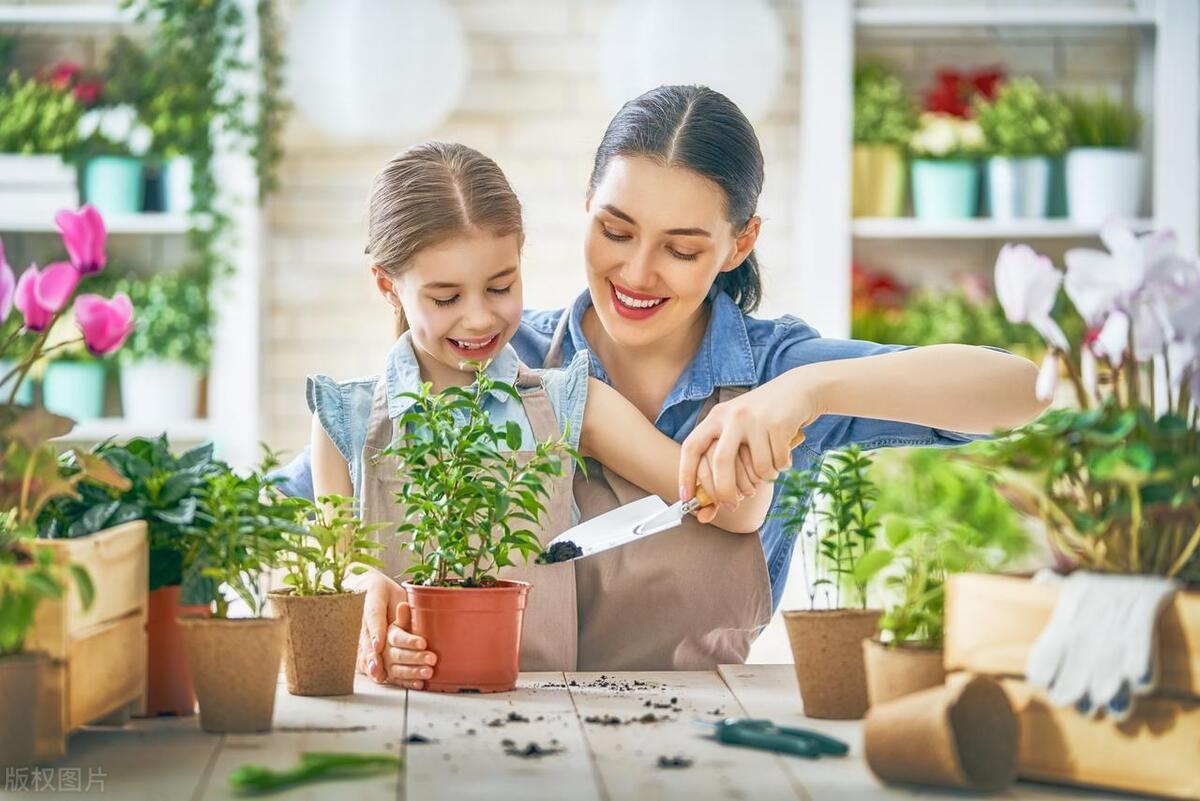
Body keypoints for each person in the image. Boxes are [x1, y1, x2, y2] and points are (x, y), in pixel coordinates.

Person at [278, 85, 1047, 690]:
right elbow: (309, 509)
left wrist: (809, 388)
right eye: (615, 231)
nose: (638, 273)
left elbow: (1034, 392)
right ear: (584, 207)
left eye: (681, 249)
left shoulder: (776, 369)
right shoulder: (501, 356)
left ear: (739, 242)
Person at [307, 140, 776, 685]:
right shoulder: (343, 420)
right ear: (388, 286)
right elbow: (334, 573)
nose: (479, 317)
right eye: (445, 298)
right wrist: (367, 593)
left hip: (544, 719)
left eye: (500, 287)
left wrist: (755, 438)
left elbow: (736, 512)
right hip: (397, 720)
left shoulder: (570, 404)